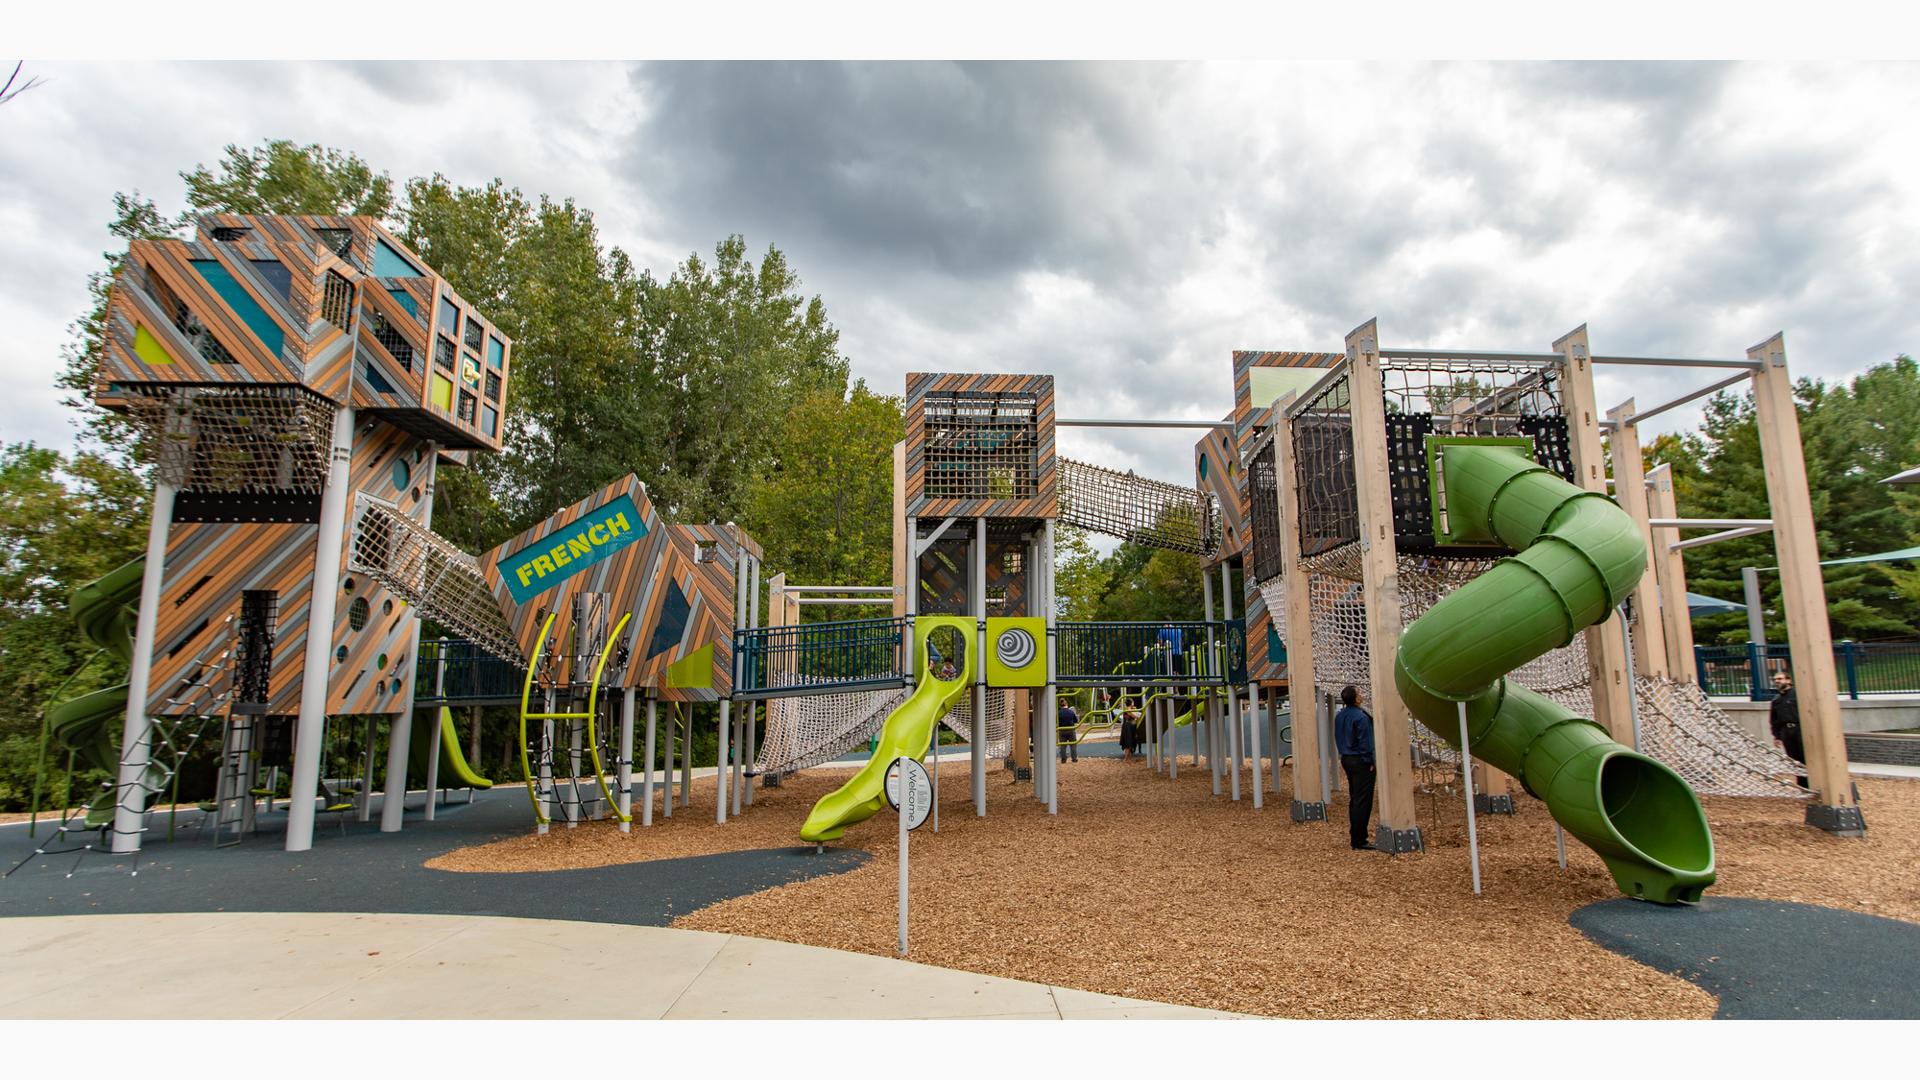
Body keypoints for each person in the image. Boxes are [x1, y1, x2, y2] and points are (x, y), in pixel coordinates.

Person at [1333, 684, 1376, 850]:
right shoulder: (1361, 717)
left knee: (1355, 797)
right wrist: (1369, 760)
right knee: (1363, 800)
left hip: (1346, 758)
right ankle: (1359, 839)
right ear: (1357, 698)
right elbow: (1364, 741)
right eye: (1359, 692)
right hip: (1360, 760)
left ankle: (1356, 836)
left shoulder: (1340, 716)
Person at [1769, 669, 1810, 789]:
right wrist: (1776, 736)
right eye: (1775, 679)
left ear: (1788, 680)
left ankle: (1811, 782)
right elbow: (1774, 719)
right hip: (1786, 731)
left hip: (1799, 729)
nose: (1777, 681)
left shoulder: (1797, 695)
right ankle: (1802, 785)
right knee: (1793, 759)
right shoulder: (1776, 700)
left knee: (1804, 757)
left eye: (1780, 679)